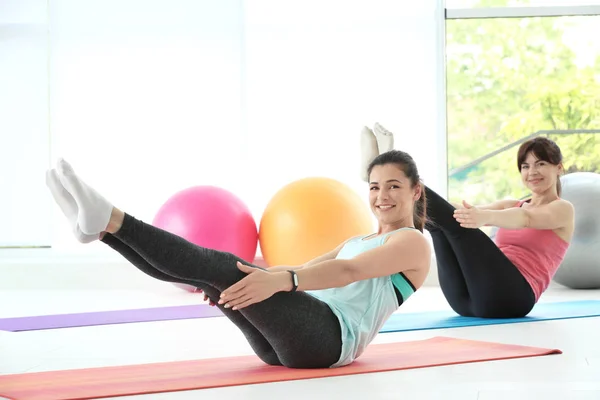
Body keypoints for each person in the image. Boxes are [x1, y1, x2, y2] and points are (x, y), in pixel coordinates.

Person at [45, 153, 430, 369]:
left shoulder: (412, 242)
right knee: (215, 275)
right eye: (375, 187)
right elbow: (306, 267)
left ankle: (112, 219)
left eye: (394, 186)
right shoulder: (359, 239)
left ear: (415, 191)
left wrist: (284, 282)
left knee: (221, 266)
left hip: (328, 340)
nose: (382, 196)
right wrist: (259, 277)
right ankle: (103, 231)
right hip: (287, 341)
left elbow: (348, 272)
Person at [361, 123, 574, 319]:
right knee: (440, 224)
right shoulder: (512, 204)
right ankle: (382, 176)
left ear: (559, 168)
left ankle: (383, 167)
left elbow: (527, 219)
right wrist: (473, 214)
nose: (532, 172)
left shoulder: (563, 209)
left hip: (511, 298)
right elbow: (457, 212)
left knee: (458, 226)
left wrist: (484, 217)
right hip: (465, 300)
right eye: (525, 166)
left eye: (541, 163)